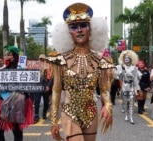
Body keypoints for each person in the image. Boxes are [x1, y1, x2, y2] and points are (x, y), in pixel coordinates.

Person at [46, 3, 114, 141]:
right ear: (68, 32)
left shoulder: (100, 61)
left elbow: (104, 89)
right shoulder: (61, 61)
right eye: (73, 27)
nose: (79, 30)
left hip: (91, 113)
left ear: (91, 29)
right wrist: (54, 121)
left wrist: (108, 105)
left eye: (83, 25)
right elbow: (57, 90)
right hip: (70, 113)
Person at [0, 46, 33, 141]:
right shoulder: (4, 70)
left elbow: (27, 86)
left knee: (16, 129)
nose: (6, 56)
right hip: (3, 101)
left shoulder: (22, 70)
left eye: (9, 54)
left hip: (16, 102)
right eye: (6, 54)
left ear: (14, 56)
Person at [116, 50, 141, 124]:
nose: (126, 59)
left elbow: (136, 79)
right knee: (125, 102)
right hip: (124, 87)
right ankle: (126, 115)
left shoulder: (134, 68)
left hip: (131, 87)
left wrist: (137, 89)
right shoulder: (122, 67)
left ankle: (131, 117)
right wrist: (121, 71)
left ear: (131, 59)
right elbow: (119, 77)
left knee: (131, 103)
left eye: (128, 58)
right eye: (125, 58)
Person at [33, 54, 52, 123]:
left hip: (45, 87)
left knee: (46, 102)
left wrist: (48, 86)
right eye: (40, 59)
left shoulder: (48, 66)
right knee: (37, 102)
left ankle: (44, 114)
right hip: (37, 86)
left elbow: (51, 78)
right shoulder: (35, 66)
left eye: (42, 59)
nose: (41, 60)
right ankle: (36, 116)